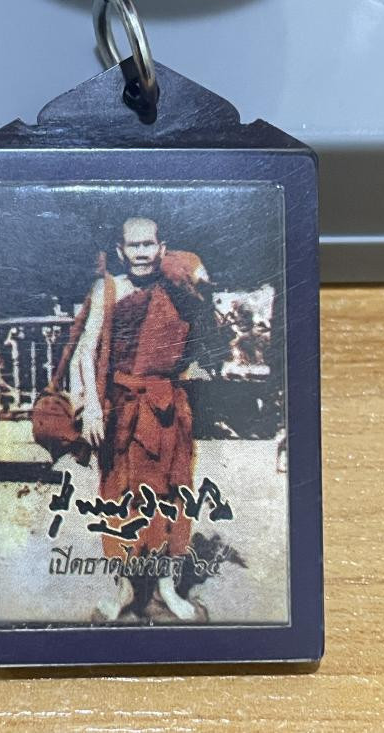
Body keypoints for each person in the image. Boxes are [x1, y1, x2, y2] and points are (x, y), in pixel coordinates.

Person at [69, 217, 221, 622]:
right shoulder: (108, 288)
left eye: (148, 244)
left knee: (172, 495)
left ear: (161, 248)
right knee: (118, 495)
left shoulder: (177, 288)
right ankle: (124, 589)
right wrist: (92, 407)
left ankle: (167, 588)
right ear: (121, 251)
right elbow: (86, 350)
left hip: (168, 406)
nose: (141, 253)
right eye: (133, 246)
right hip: (121, 409)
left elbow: (203, 316)